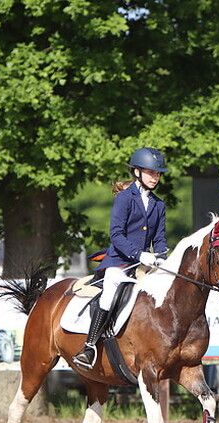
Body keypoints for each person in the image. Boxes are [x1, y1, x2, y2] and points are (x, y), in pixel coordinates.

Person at [73, 147, 169, 368]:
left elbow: (160, 238)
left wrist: (162, 256)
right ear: (137, 172)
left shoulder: (159, 204)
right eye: (151, 173)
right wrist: (139, 254)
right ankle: (89, 346)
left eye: (158, 174)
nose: (156, 177)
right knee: (109, 292)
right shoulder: (125, 198)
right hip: (120, 261)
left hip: (145, 266)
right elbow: (116, 235)